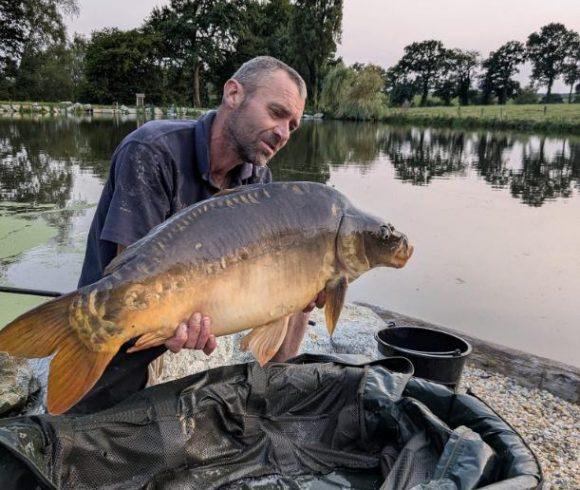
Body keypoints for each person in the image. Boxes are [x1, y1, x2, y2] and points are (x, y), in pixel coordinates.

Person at [70, 56, 324, 414]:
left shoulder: (258, 181)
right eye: (276, 112)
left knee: (302, 286)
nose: (283, 133)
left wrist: (296, 287)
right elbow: (132, 283)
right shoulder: (152, 150)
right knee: (94, 431)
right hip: (123, 324)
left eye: (292, 126)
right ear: (233, 94)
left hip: (205, 308)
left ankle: (276, 397)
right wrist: (179, 318)